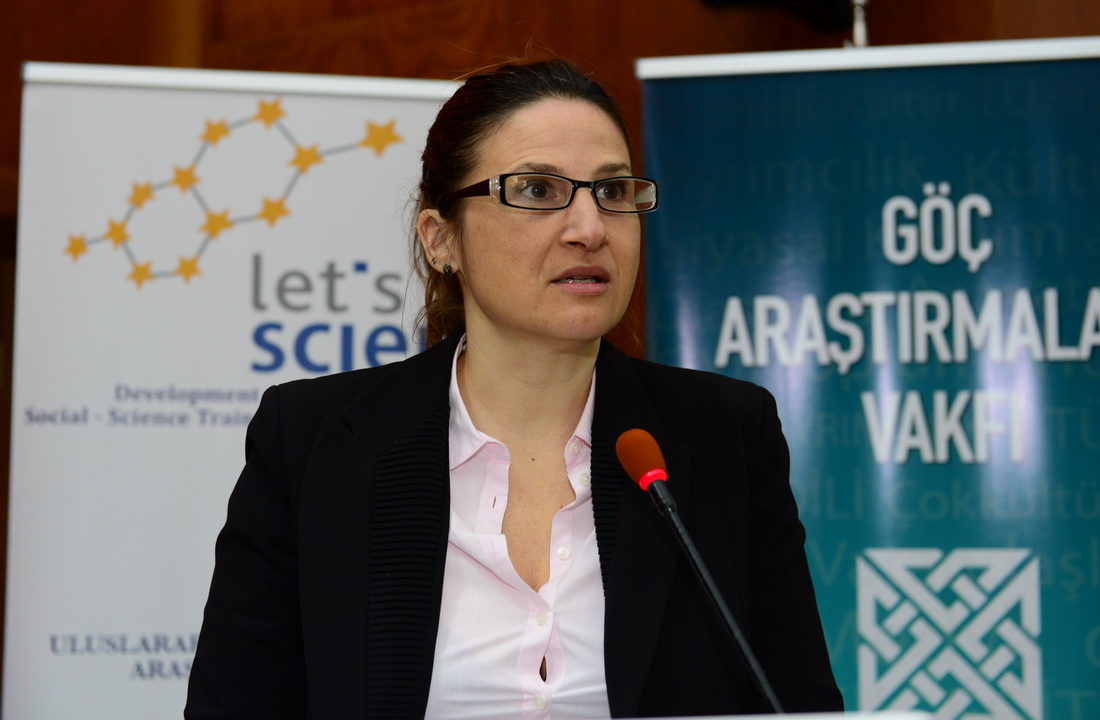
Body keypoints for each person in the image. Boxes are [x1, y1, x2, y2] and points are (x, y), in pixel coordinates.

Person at [185, 59, 842, 719]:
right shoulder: (313, 442)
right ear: (441, 239)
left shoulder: (725, 434)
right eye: (536, 190)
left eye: (613, 191)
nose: (590, 228)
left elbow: (797, 703)